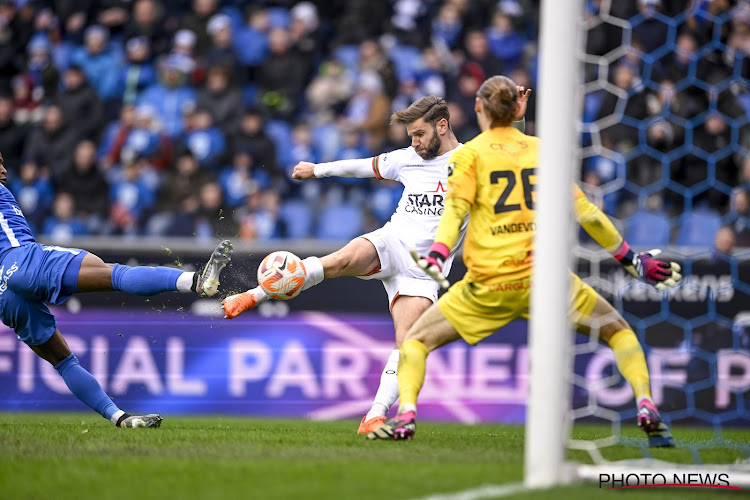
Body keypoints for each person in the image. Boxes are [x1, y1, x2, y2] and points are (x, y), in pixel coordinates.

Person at [366, 76, 682, 448]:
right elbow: (586, 213)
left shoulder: (468, 155)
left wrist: (438, 252)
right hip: (545, 280)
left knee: (414, 342)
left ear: (479, 109)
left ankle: (406, 415)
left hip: (488, 285)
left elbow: (454, 211)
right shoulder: (542, 151)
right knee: (619, 332)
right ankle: (645, 402)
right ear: (519, 108)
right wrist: (631, 259)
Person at [222, 95, 528, 434]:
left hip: (424, 272)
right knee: (341, 260)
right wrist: (316, 170)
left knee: (408, 343)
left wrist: (515, 120)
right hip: (392, 242)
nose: (414, 142)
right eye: (411, 135)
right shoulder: (408, 159)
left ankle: (374, 416)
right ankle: (253, 294)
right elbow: (361, 166)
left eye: (420, 134)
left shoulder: (473, 161)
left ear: (443, 126)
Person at [0, 151, 233, 428]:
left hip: (5, 294)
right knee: (116, 273)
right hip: (22, 259)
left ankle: (120, 419)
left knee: (63, 362)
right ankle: (196, 281)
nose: (3, 170)